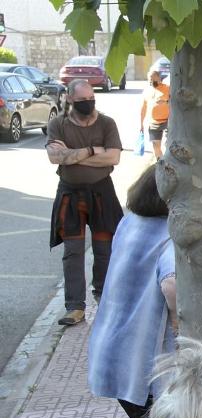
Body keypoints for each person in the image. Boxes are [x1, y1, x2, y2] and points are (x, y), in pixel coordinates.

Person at [86, 164, 177, 418]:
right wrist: (184, 325)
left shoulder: (131, 223)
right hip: (145, 368)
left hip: (113, 356)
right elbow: (172, 287)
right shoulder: (171, 237)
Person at [44, 79, 123, 327]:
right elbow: (54, 157)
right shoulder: (58, 124)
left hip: (102, 193)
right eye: (82, 100)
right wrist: (91, 150)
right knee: (73, 252)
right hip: (70, 194)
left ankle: (104, 296)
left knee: (105, 250)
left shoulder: (107, 123)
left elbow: (114, 157)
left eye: (91, 98)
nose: (88, 103)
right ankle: (75, 307)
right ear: (70, 99)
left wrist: (73, 156)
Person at [138, 67, 170, 159]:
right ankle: (161, 163)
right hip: (154, 122)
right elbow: (143, 108)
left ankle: (169, 160)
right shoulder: (147, 91)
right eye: (150, 79)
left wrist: (166, 102)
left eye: (153, 79)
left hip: (168, 121)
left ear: (159, 78)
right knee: (156, 146)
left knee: (169, 144)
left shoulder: (168, 88)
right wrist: (141, 124)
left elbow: (175, 102)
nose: (151, 81)